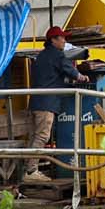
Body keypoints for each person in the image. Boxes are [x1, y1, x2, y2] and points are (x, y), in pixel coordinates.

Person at [27, 26, 86, 176]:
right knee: (42, 136)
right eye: (62, 38)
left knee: (34, 136)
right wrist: (82, 77)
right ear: (53, 40)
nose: (64, 41)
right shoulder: (57, 55)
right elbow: (71, 71)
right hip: (47, 103)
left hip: (35, 102)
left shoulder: (40, 56)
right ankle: (31, 171)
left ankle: (27, 170)